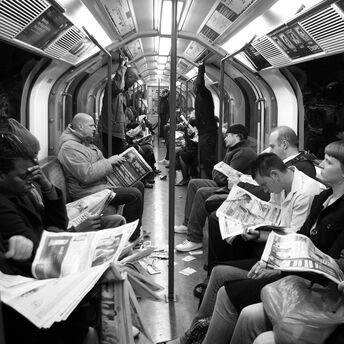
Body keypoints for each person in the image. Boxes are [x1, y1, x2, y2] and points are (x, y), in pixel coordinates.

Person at [199, 140, 344, 344]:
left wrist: (277, 267)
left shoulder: (315, 197)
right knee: (219, 271)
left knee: (231, 296)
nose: (320, 166)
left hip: (304, 277)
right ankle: (199, 330)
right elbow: (300, 237)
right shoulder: (323, 198)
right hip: (290, 264)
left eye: (328, 163)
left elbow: (328, 260)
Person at [0, 133, 96, 344]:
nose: (30, 179)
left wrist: (46, 186)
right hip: (29, 281)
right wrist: (74, 235)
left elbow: (56, 223)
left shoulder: (21, 191)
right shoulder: (4, 206)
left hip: (40, 262)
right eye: (24, 175)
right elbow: (36, 252)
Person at [57, 113, 144, 241]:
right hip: (86, 193)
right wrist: (109, 162)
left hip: (98, 186)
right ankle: (131, 238)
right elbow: (86, 175)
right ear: (80, 127)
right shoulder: (69, 148)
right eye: (91, 125)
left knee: (139, 185)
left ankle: (136, 230)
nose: (94, 128)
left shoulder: (83, 142)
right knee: (134, 194)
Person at [174, 124, 257, 252]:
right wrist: (217, 172)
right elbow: (220, 174)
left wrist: (216, 172)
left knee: (202, 192)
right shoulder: (234, 149)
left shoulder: (243, 153)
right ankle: (187, 224)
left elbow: (224, 178)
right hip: (224, 184)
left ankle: (194, 239)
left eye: (228, 135)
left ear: (237, 136)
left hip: (235, 190)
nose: (225, 138)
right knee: (194, 183)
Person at [98, 56, 139, 156]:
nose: (132, 85)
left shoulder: (123, 92)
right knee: (119, 158)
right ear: (127, 77)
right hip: (111, 132)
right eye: (132, 82)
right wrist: (123, 67)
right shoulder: (113, 87)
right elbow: (118, 86)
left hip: (117, 130)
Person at [193, 61, 218, 179]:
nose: (194, 88)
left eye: (194, 86)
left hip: (208, 133)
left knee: (208, 160)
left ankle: (211, 183)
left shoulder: (205, 94)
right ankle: (205, 180)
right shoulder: (198, 97)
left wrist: (200, 67)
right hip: (203, 132)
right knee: (202, 159)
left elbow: (199, 84)